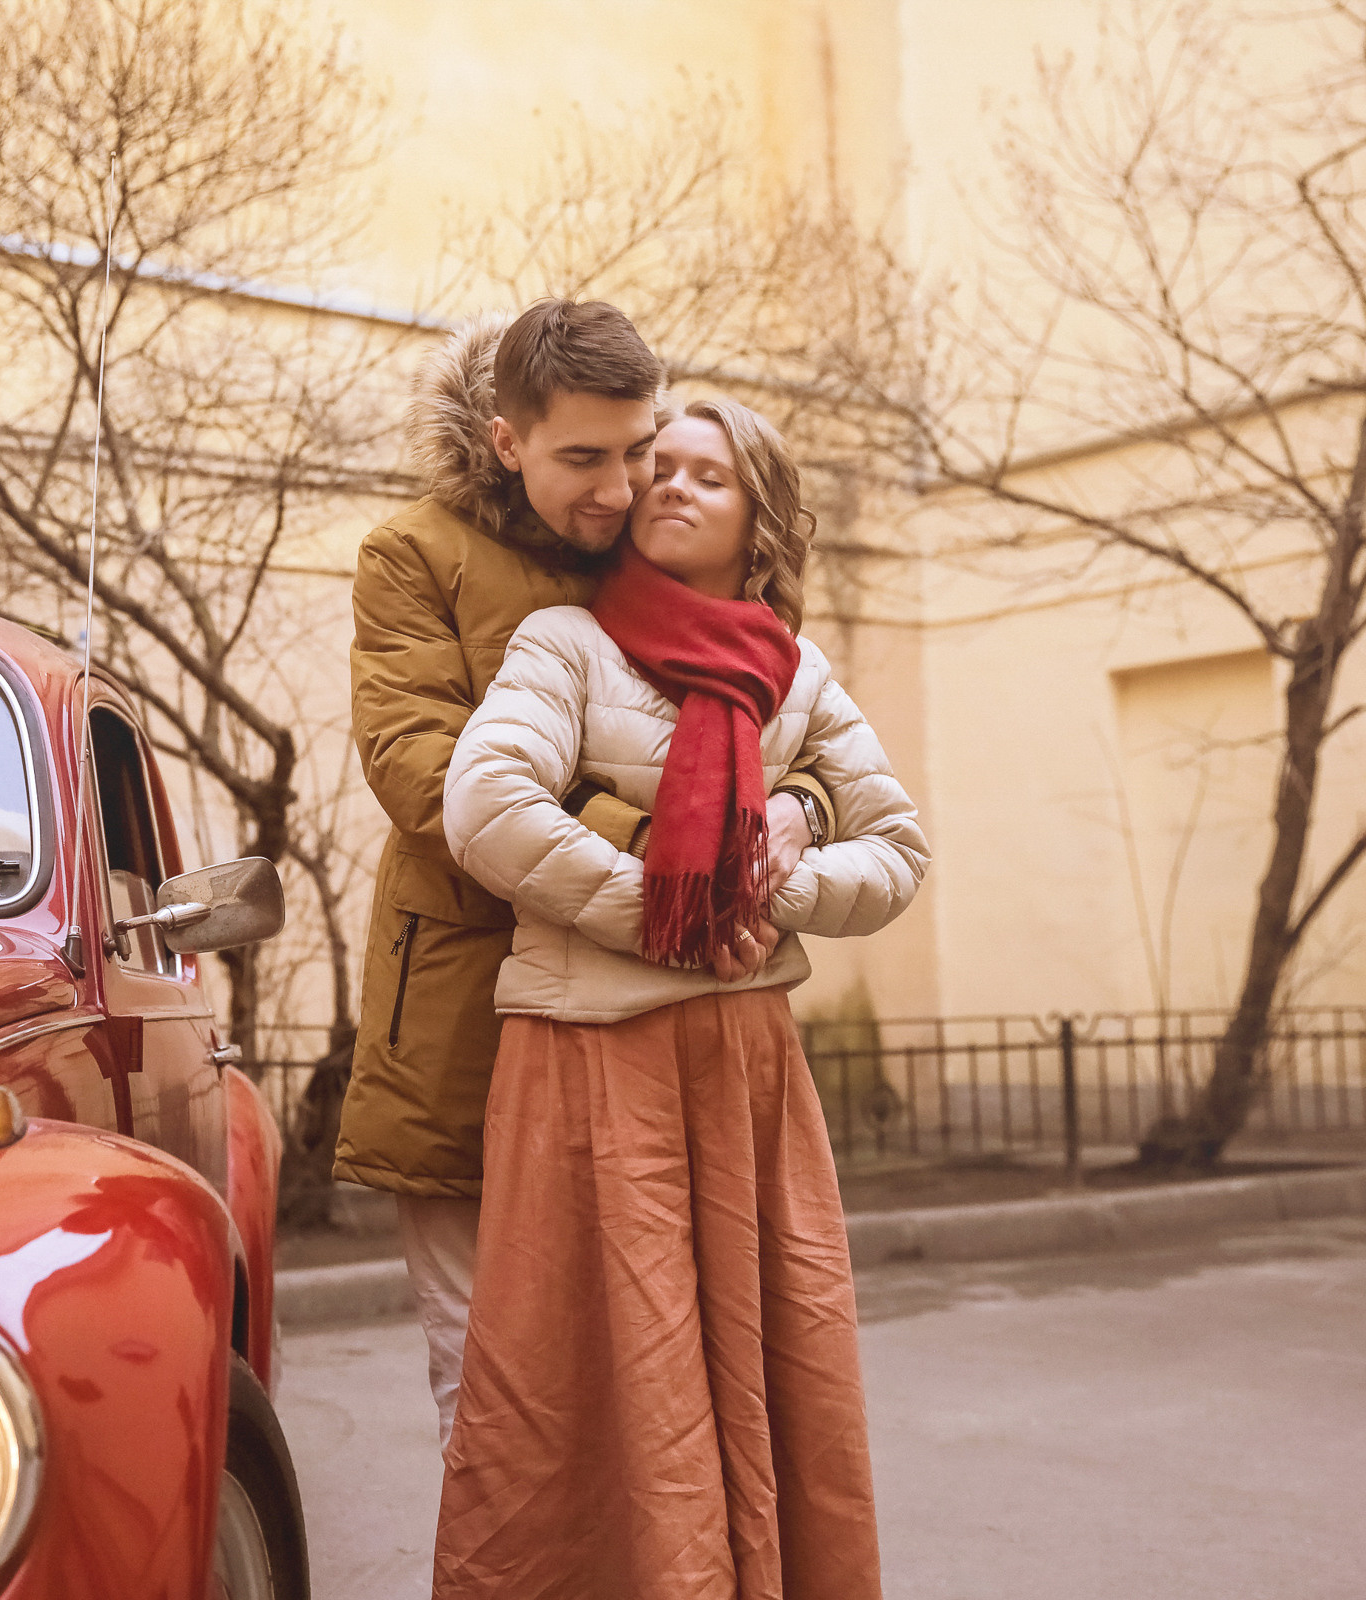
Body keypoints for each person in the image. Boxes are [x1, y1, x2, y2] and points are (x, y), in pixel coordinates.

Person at [432, 397, 929, 1599]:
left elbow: (901, 851)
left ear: (757, 521)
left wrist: (792, 876)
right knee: (590, 1384)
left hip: (743, 1064)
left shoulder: (796, 677)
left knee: (772, 1361)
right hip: (587, 1062)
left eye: (709, 475)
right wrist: (654, 910)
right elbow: (485, 806)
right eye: (664, 467)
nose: (671, 486)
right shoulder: (566, 643)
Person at [334, 301, 840, 1444]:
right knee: (496, 1381)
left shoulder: (655, 542)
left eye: (638, 449)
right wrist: (658, 844)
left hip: (644, 1025)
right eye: (582, 460)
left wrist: (796, 808)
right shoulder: (416, 555)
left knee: (655, 1369)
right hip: (470, 992)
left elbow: (784, 715)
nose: (619, 488)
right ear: (507, 440)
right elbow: (422, 770)